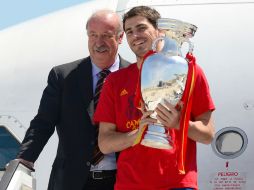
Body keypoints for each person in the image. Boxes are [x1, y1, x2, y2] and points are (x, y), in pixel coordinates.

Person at [93, 6, 215, 190]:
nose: (135, 35)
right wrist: (137, 134)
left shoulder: (190, 72)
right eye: (129, 31)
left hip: (178, 184)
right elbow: (105, 144)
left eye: (141, 28)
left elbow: (208, 135)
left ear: (159, 31)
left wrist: (180, 123)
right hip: (130, 185)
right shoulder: (115, 81)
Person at [16, 9, 130, 190]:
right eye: (93, 35)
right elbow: (43, 123)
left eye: (106, 36)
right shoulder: (63, 76)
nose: (99, 42)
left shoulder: (136, 76)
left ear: (120, 37)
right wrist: (24, 159)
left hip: (121, 180)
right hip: (71, 180)